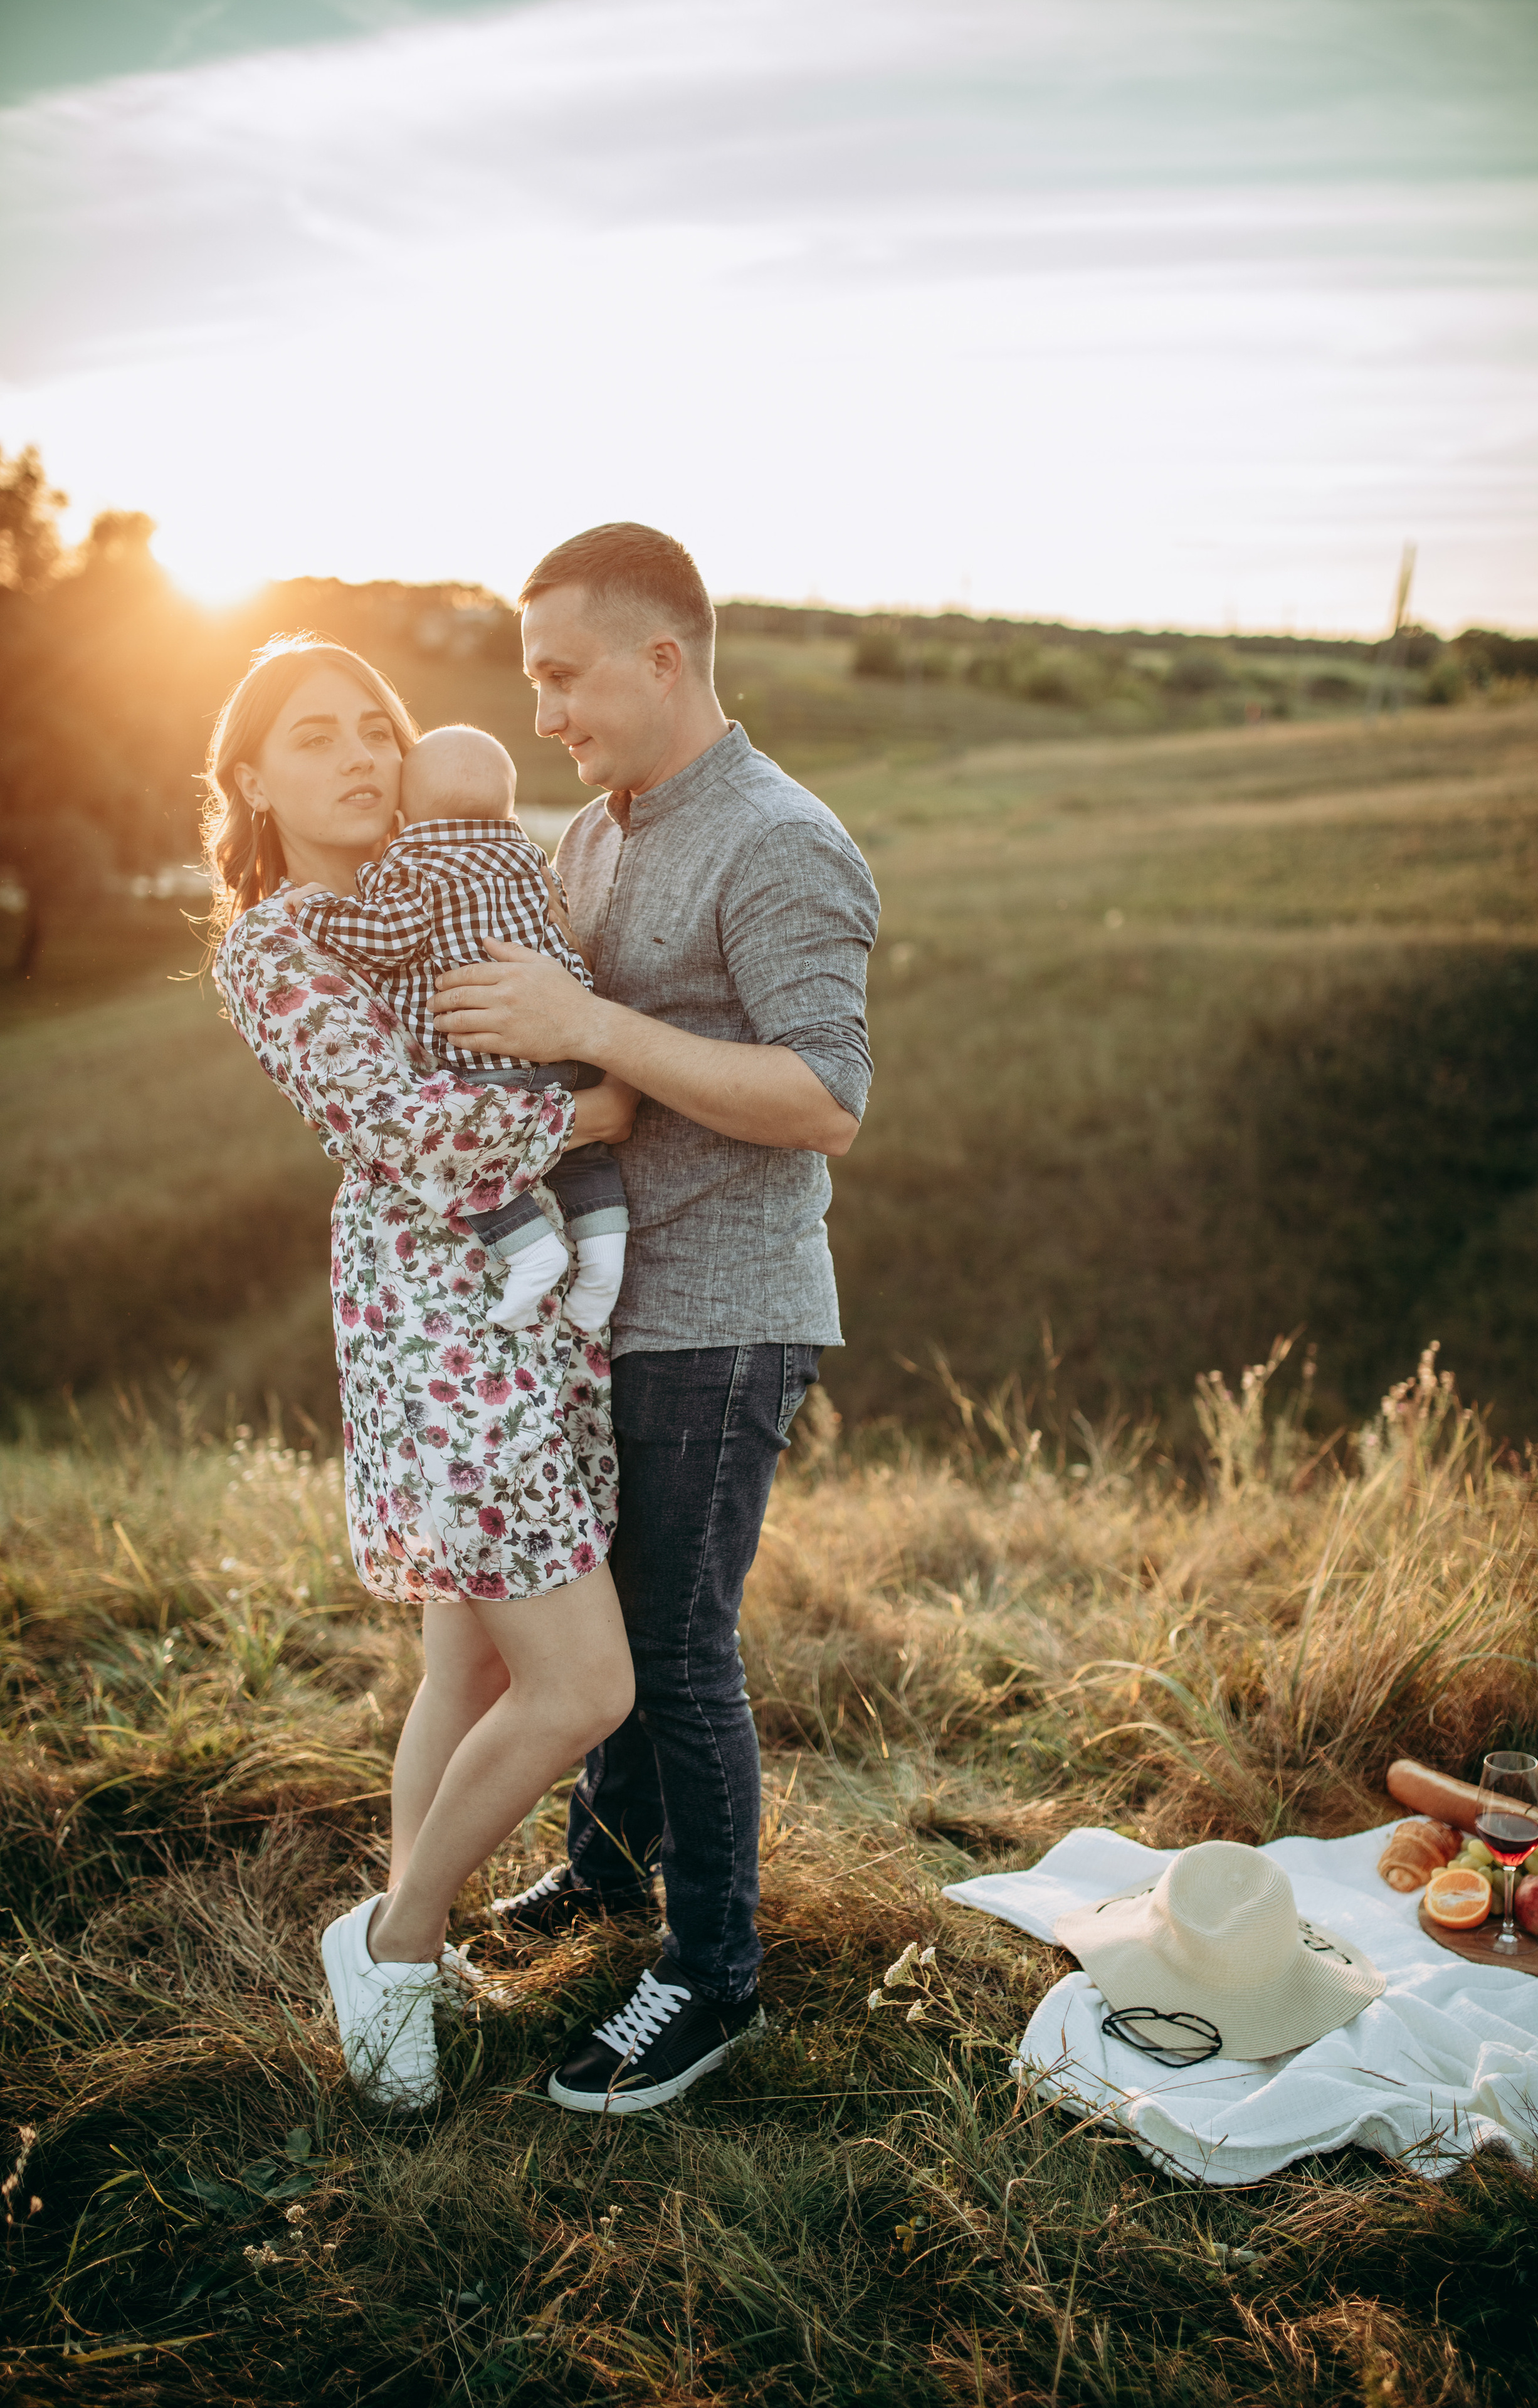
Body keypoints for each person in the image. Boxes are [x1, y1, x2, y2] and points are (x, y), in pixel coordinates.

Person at [431, 523, 880, 2113]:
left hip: (728, 1312)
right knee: (612, 1627)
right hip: (609, 1307)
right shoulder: (595, 832)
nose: (542, 706)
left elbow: (826, 1098)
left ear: (661, 658)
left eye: (562, 673)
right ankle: (607, 1876)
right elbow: (585, 1060)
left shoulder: (780, 840)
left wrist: (586, 1024)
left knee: (678, 1651)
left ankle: (710, 1975)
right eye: (531, 676)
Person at [204, 633, 638, 2111]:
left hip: (526, 1324)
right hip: (445, 1338)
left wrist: (586, 1048)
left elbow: (562, 989)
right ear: (252, 778)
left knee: (472, 1658)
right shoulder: (277, 940)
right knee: (582, 1682)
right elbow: (410, 1128)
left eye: (375, 727)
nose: (361, 756)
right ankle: (390, 1938)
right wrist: (602, 1104)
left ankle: (417, 1925)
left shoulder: (452, 882)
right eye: (315, 736)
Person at [289, 722, 631, 1334]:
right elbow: (562, 931)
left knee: (473, 1160)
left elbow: (388, 938)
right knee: (588, 1163)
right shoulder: (528, 858)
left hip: (481, 1058)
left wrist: (316, 908)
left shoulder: (412, 864)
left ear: (407, 809)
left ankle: (531, 1252)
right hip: (564, 1048)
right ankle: (604, 1263)